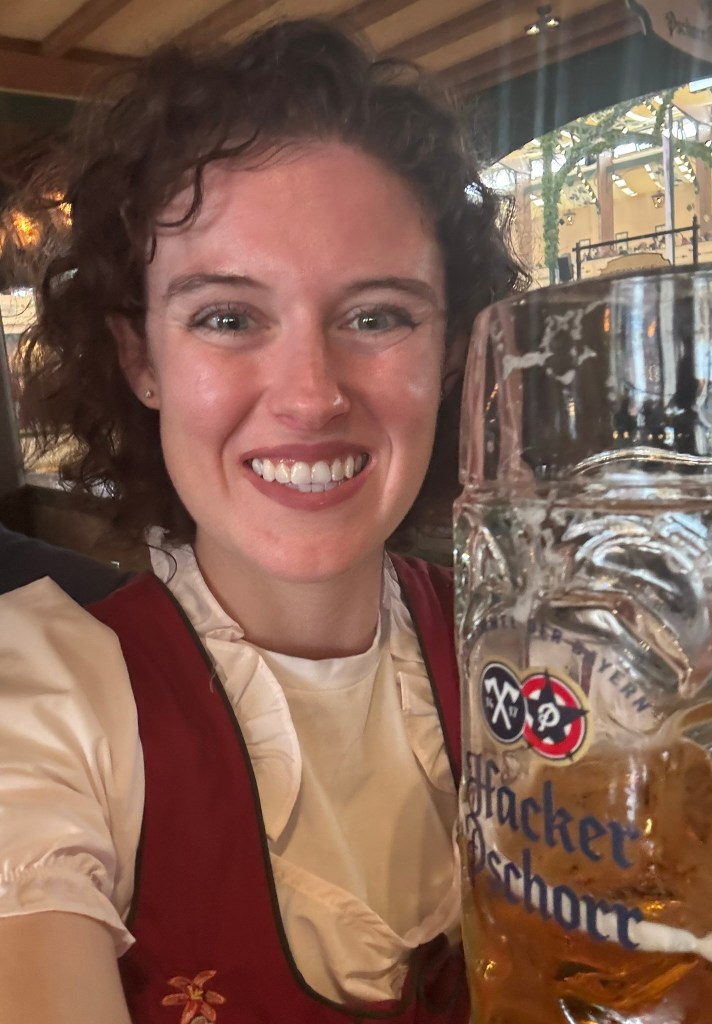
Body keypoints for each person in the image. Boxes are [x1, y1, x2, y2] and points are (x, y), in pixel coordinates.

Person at [0, 18, 524, 1024]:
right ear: (142, 359)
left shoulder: (525, 649)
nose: (311, 394)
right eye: (228, 317)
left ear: (452, 350)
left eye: (376, 315)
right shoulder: (42, 701)